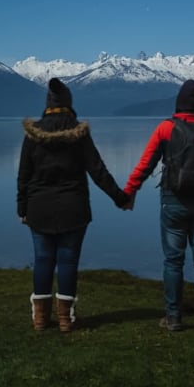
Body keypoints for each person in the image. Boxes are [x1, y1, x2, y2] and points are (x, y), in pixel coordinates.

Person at [17, 77, 130, 332]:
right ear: (69, 103)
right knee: (67, 261)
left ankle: (40, 319)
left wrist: (22, 208)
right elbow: (98, 170)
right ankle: (66, 320)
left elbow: (23, 175)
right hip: (74, 208)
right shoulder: (79, 133)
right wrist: (120, 198)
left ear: (47, 104)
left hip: (38, 207)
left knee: (43, 260)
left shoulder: (33, 134)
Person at [123, 79, 194, 331]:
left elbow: (145, 165)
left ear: (178, 102)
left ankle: (173, 318)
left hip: (172, 201)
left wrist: (129, 192)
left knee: (173, 261)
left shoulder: (165, 128)